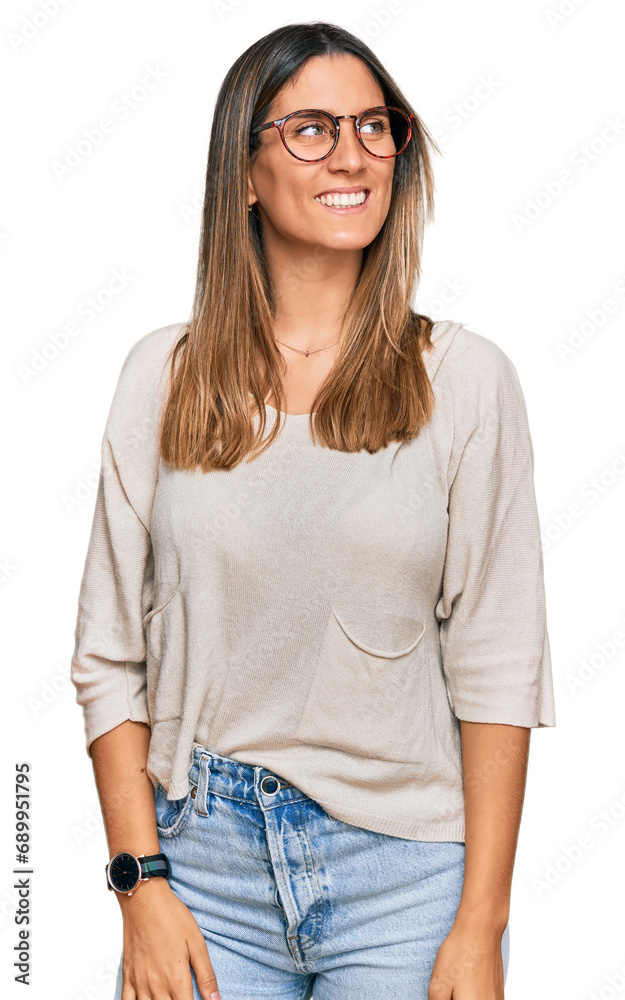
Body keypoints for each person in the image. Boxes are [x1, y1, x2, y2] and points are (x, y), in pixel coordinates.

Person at [70, 21, 556, 1000]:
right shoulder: (162, 377)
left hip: (405, 884)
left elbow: (498, 666)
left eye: (375, 126)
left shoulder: (464, 380)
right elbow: (107, 657)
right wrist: (139, 886)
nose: (352, 155)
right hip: (201, 875)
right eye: (311, 129)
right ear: (244, 171)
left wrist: (481, 921)